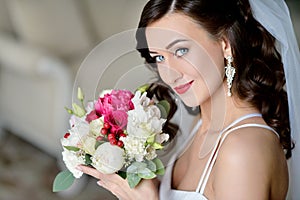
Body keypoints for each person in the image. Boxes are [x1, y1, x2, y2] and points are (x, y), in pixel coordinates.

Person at [77, 0, 300, 199]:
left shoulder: (242, 151)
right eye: (160, 57)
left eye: (181, 50)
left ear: (226, 44)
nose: (170, 74)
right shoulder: (203, 122)